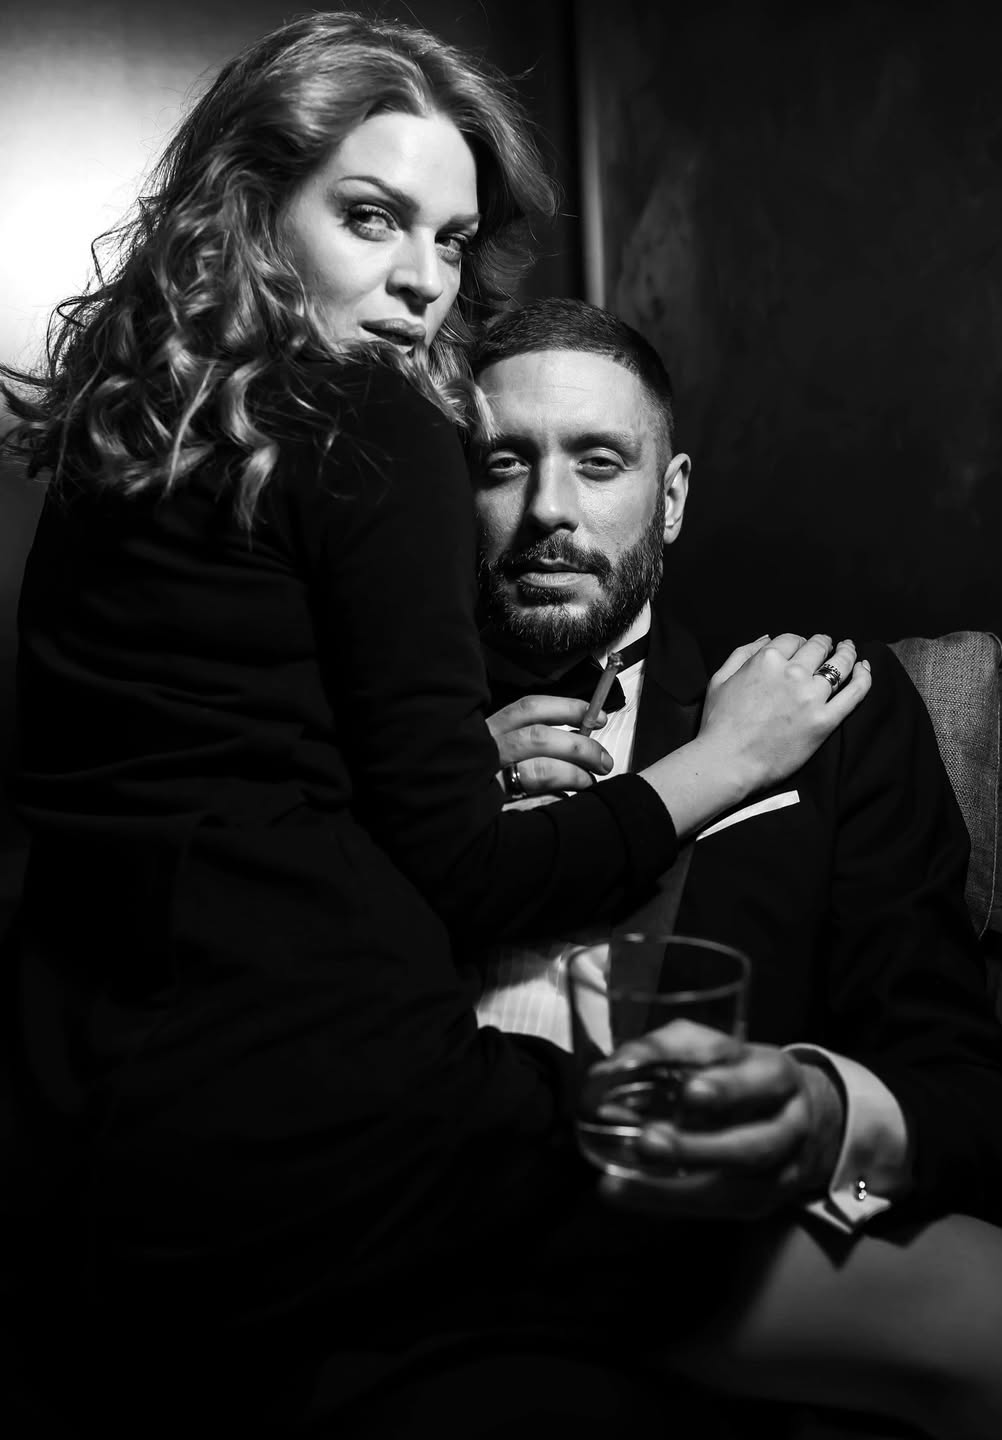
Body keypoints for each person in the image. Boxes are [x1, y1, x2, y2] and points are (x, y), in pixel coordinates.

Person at [0, 12, 879, 1438]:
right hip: (318, 1127)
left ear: (672, 493)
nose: (421, 280)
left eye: (454, 240)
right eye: (371, 217)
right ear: (251, 206)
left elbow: (202, 780)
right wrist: (727, 759)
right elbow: (466, 876)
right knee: (987, 1314)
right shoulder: (375, 420)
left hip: (81, 1127)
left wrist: (429, 764)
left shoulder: (122, 441)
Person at [467, 297, 1002, 1440]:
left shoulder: (828, 713)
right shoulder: (373, 732)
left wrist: (817, 1117)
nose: (548, 508)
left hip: (709, 1270)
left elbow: (970, 1105)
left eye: (599, 461)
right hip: (424, 1250)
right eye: (502, 464)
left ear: (672, 495)